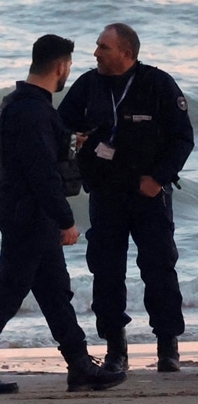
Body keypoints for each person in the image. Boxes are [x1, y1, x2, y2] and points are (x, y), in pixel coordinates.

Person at [0, 35, 126, 394]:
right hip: (29, 214)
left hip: (25, 211)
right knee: (9, 290)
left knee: (53, 290)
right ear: (61, 66)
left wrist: (67, 140)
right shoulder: (33, 111)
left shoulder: (23, 105)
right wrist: (66, 219)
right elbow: (42, 172)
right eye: (69, 67)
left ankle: (79, 363)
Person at [57, 23, 193, 373]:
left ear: (126, 53)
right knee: (106, 271)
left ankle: (168, 347)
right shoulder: (89, 85)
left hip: (148, 194)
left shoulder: (157, 83)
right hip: (105, 193)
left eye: (103, 47)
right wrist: (76, 142)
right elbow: (58, 127)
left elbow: (183, 138)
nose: (96, 53)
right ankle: (116, 348)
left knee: (159, 268)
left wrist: (159, 178)